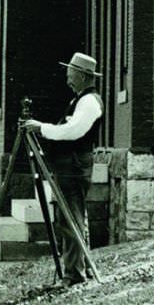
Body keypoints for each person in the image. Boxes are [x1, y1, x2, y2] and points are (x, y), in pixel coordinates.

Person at [23, 51, 104, 286]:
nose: (68, 79)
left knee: (70, 220)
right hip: (69, 165)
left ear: (83, 76)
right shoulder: (79, 99)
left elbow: (73, 131)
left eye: (71, 74)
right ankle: (80, 267)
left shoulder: (89, 101)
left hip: (74, 166)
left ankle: (74, 274)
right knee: (71, 218)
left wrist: (42, 128)